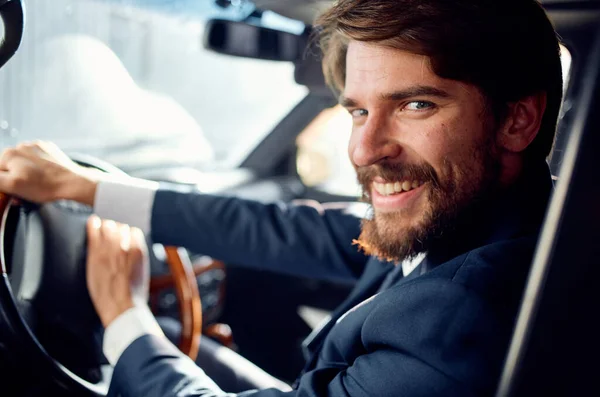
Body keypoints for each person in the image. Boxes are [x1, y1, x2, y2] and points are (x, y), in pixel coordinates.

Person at [0, 0, 563, 396]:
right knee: (180, 345)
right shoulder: (492, 222)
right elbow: (294, 230)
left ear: (517, 120)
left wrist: (123, 314)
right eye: (358, 111)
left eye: (416, 104)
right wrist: (84, 186)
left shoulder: (465, 322)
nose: (363, 150)